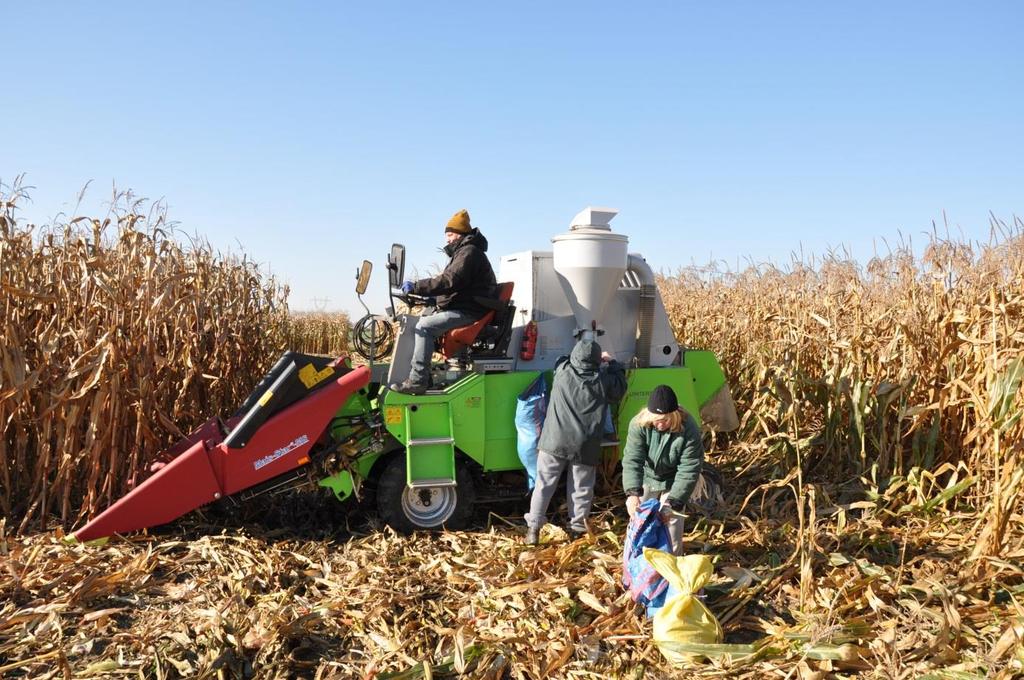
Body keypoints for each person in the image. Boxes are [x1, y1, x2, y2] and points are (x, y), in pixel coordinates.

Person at [524, 338, 627, 544]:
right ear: (598, 362)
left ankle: (533, 530)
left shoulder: (562, 371)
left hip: (554, 442)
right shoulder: (603, 381)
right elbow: (620, 388)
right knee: (581, 487)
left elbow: (561, 359)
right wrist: (612, 363)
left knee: (544, 485)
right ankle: (577, 530)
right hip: (584, 444)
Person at [392, 209, 497, 394]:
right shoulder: (464, 252)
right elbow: (457, 286)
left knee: (424, 326)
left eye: (450, 234)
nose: (447, 239)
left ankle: (417, 381)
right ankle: (426, 375)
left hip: (471, 311)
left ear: (460, 234)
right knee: (424, 320)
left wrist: (417, 286)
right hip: (466, 305)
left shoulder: (469, 252)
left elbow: (449, 280)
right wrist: (432, 299)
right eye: (446, 235)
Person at [621, 384, 705, 556]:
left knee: (672, 524)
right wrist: (632, 494)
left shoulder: (688, 427)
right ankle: (637, 561)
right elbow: (632, 460)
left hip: (674, 479)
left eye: (665, 420)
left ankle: (671, 565)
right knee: (640, 522)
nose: (660, 424)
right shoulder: (638, 425)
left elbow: (689, 467)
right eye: (656, 419)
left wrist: (673, 502)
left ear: (674, 415)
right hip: (648, 476)